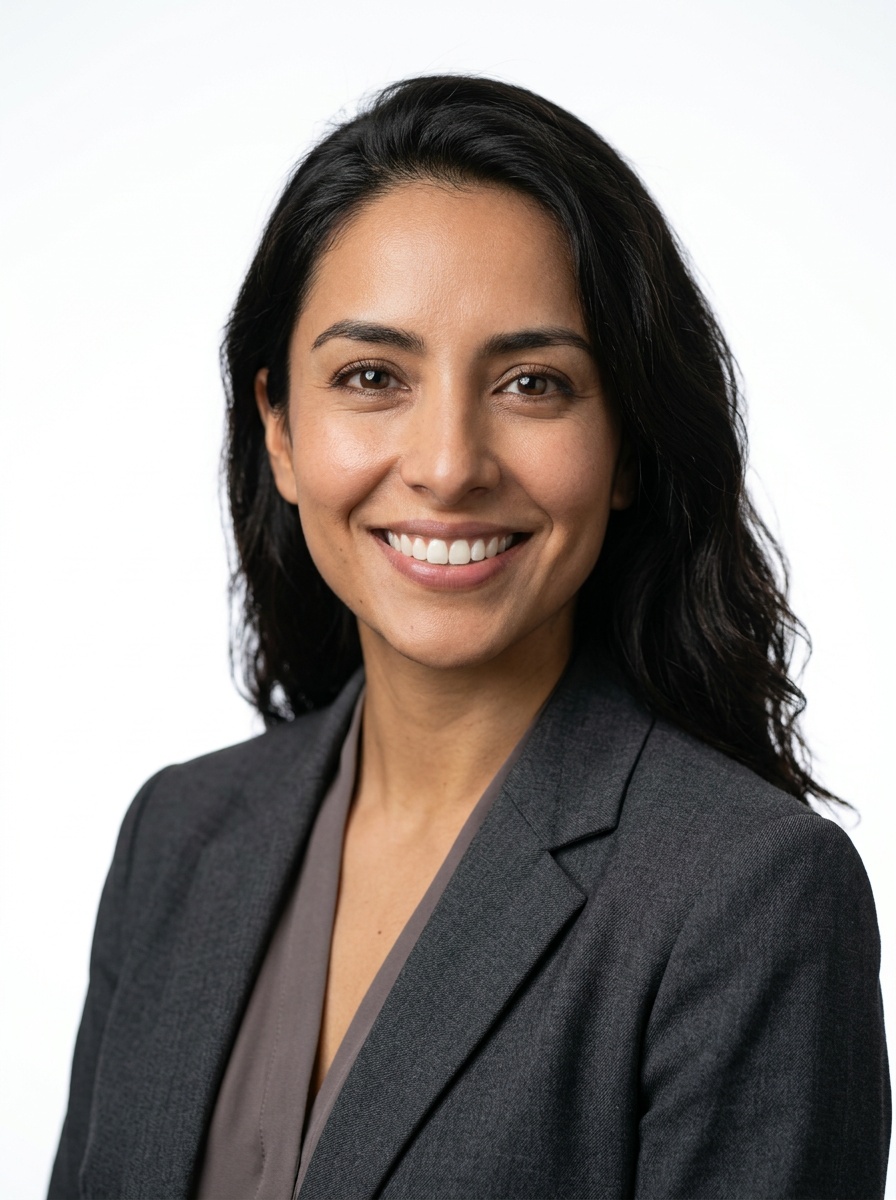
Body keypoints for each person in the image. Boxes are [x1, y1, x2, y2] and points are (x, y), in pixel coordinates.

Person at [49, 75, 889, 1200]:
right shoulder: (178, 838)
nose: (447, 463)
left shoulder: (748, 899)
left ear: (628, 444)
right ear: (281, 432)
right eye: (370, 378)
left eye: (532, 383)